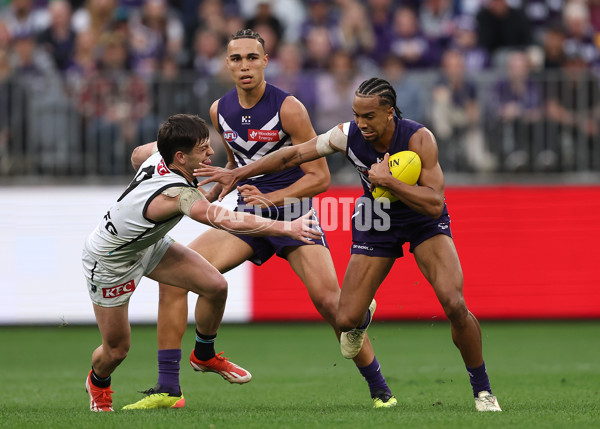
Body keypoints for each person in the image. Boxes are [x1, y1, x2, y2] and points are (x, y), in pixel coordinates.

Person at [125, 29, 398, 410]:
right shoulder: (219, 111)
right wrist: (218, 188)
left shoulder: (289, 108)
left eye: (252, 57)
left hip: (295, 218)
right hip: (249, 216)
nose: (244, 66)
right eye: (236, 59)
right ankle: (172, 386)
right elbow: (239, 164)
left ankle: (381, 391)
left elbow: (320, 178)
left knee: (333, 306)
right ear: (227, 64)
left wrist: (271, 197)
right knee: (175, 280)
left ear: (265, 61)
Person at [197, 77, 503, 412]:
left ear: (390, 112)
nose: (361, 123)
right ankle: (362, 317)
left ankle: (482, 391)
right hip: (376, 218)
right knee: (345, 320)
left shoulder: (419, 138)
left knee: (454, 303)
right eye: (357, 115)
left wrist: (388, 182)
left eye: (369, 116)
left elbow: (434, 203)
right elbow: (294, 154)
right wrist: (241, 173)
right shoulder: (347, 135)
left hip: (422, 221)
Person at [83, 113, 322, 412]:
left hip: (147, 245)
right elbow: (228, 220)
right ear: (181, 156)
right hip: (109, 262)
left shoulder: (160, 153)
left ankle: (204, 354)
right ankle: (98, 382)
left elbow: (136, 155)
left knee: (215, 285)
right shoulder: (176, 194)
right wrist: (288, 228)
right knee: (117, 349)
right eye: (204, 148)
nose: (211, 153)